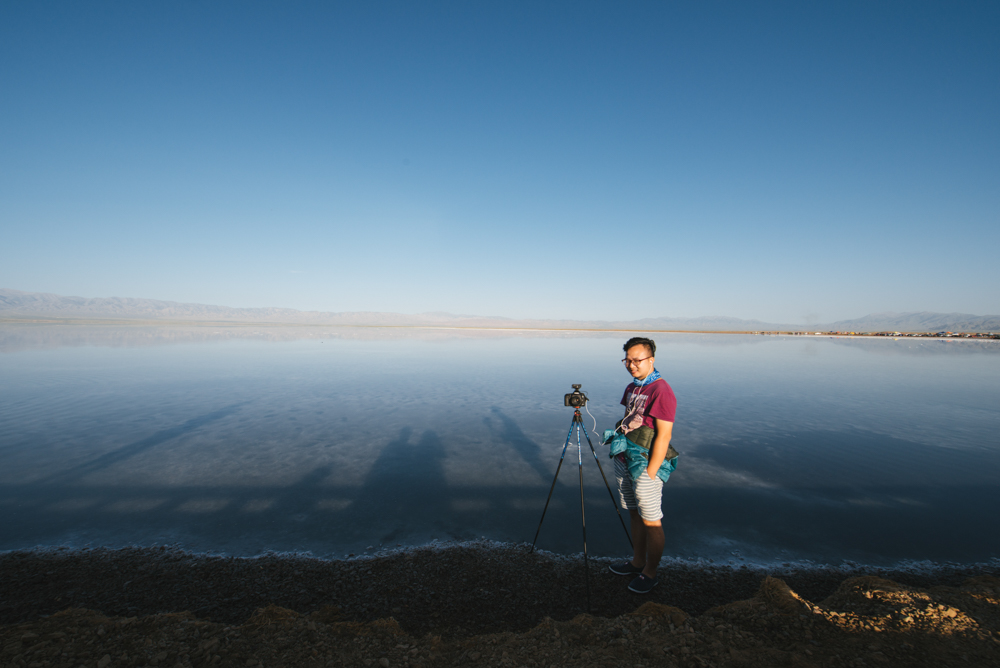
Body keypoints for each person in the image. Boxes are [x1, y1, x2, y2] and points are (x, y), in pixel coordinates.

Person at [606, 336, 678, 593]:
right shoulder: (632, 388)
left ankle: (650, 572)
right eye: (627, 360)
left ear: (651, 360)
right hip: (625, 458)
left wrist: (651, 472)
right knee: (634, 512)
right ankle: (637, 562)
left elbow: (664, 435)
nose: (631, 365)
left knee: (651, 520)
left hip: (646, 463)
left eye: (637, 360)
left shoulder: (661, 390)